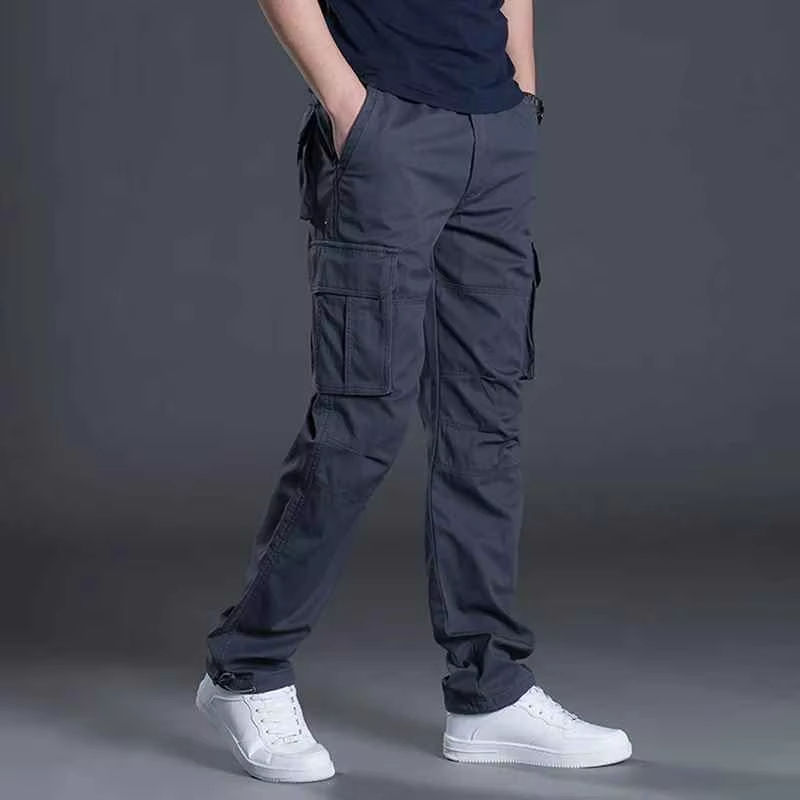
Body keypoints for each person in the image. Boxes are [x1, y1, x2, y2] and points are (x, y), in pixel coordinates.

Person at [196, 0, 632, 782]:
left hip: (495, 131)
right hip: (387, 127)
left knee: (484, 422)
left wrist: (521, 95)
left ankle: (490, 689)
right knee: (359, 425)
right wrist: (346, 104)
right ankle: (246, 668)